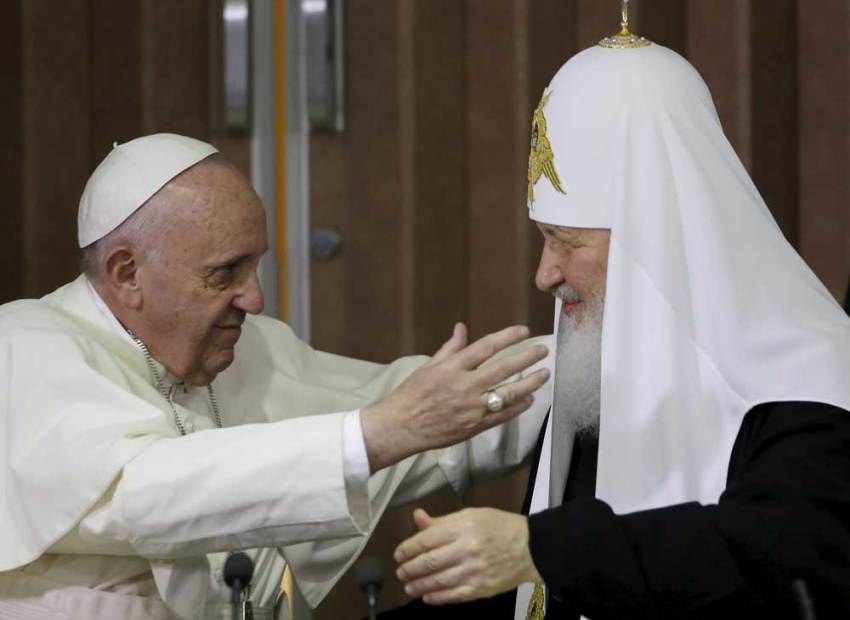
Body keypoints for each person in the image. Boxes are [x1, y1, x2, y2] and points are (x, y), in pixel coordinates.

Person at [391, 27, 850, 620]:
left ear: (652, 240)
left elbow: (775, 560)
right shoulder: (601, 366)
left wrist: (542, 549)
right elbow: (547, 593)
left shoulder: (812, 385)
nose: (544, 275)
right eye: (543, 239)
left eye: (566, 241)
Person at [0, 133, 553, 619]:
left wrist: (581, 362)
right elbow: (145, 492)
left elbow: (403, 412)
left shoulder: (245, 348)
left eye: (256, 264)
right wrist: (380, 432)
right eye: (226, 272)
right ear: (127, 274)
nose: (257, 299)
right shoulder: (26, 346)